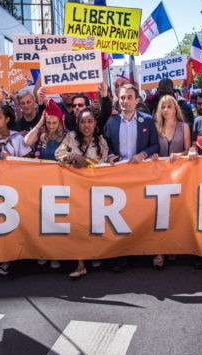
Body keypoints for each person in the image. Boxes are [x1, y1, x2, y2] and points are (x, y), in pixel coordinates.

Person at [104, 83, 159, 272]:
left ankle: (148, 250)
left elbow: (155, 146)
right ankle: (122, 255)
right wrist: (110, 155)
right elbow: (107, 146)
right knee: (122, 217)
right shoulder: (111, 123)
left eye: (129, 97)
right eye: (122, 98)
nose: (125, 101)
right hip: (119, 177)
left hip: (141, 176)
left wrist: (143, 154)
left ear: (137, 100)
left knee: (143, 214)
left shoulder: (148, 120)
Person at [55, 109, 110, 278]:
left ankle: (94, 255)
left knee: (93, 225)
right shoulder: (71, 137)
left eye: (90, 121)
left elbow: (102, 162)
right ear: (78, 124)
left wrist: (84, 160)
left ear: (95, 123)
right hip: (74, 188)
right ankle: (80, 264)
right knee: (77, 226)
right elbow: (58, 153)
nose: (86, 125)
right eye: (83, 122)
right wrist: (72, 157)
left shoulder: (101, 141)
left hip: (94, 189)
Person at [0, 104, 32, 277]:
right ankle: (6, 258)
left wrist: (11, 160)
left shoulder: (17, 139)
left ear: (7, 119)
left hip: (16, 188)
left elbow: (28, 161)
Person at [149, 95, 195, 268]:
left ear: (175, 108)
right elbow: (152, 146)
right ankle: (158, 250)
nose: (166, 109)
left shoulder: (184, 127)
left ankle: (172, 247)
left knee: (175, 212)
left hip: (178, 175)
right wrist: (153, 154)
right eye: (163, 107)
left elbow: (187, 149)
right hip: (158, 176)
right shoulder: (155, 126)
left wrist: (180, 155)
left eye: (169, 106)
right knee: (159, 213)